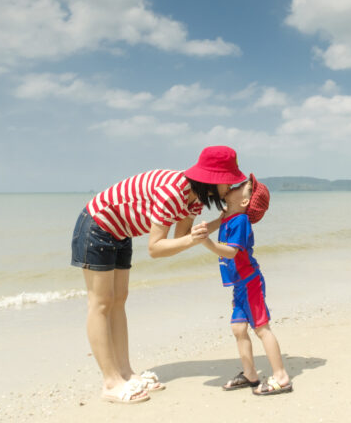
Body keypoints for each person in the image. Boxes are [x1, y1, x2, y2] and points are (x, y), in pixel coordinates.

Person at [70, 145, 247, 404]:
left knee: (119, 300)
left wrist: (224, 219)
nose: (230, 189)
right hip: (97, 225)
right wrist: (196, 240)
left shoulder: (194, 199)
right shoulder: (174, 192)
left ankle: (126, 373)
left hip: (121, 232)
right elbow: (155, 248)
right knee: (101, 303)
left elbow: (180, 239)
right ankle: (110, 382)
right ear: (213, 181)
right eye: (228, 183)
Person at [200, 173, 293, 396]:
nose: (236, 185)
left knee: (261, 328)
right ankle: (250, 374)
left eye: (243, 186)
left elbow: (231, 252)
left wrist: (207, 242)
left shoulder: (241, 221)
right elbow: (215, 223)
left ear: (244, 202)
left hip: (250, 282)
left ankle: (281, 376)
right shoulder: (228, 216)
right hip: (240, 284)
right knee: (238, 328)